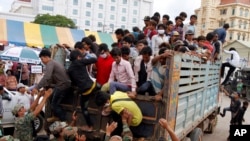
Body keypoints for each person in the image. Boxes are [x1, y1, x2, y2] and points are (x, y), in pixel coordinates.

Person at [32, 49, 71, 122]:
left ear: (46, 57)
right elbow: (49, 79)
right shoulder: (53, 63)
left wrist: (37, 87)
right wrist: (44, 87)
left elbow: (47, 77)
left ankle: (63, 120)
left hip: (62, 85)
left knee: (54, 105)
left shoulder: (50, 63)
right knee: (52, 99)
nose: (42, 61)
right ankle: (56, 116)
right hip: (62, 84)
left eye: (42, 58)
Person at [68, 49, 97, 132]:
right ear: (78, 57)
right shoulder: (80, 62)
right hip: (92, 85)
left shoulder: (70, 69)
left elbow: (73, 82)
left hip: (85, 90)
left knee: (84, 108)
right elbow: (94, 59)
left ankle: (90, 126)